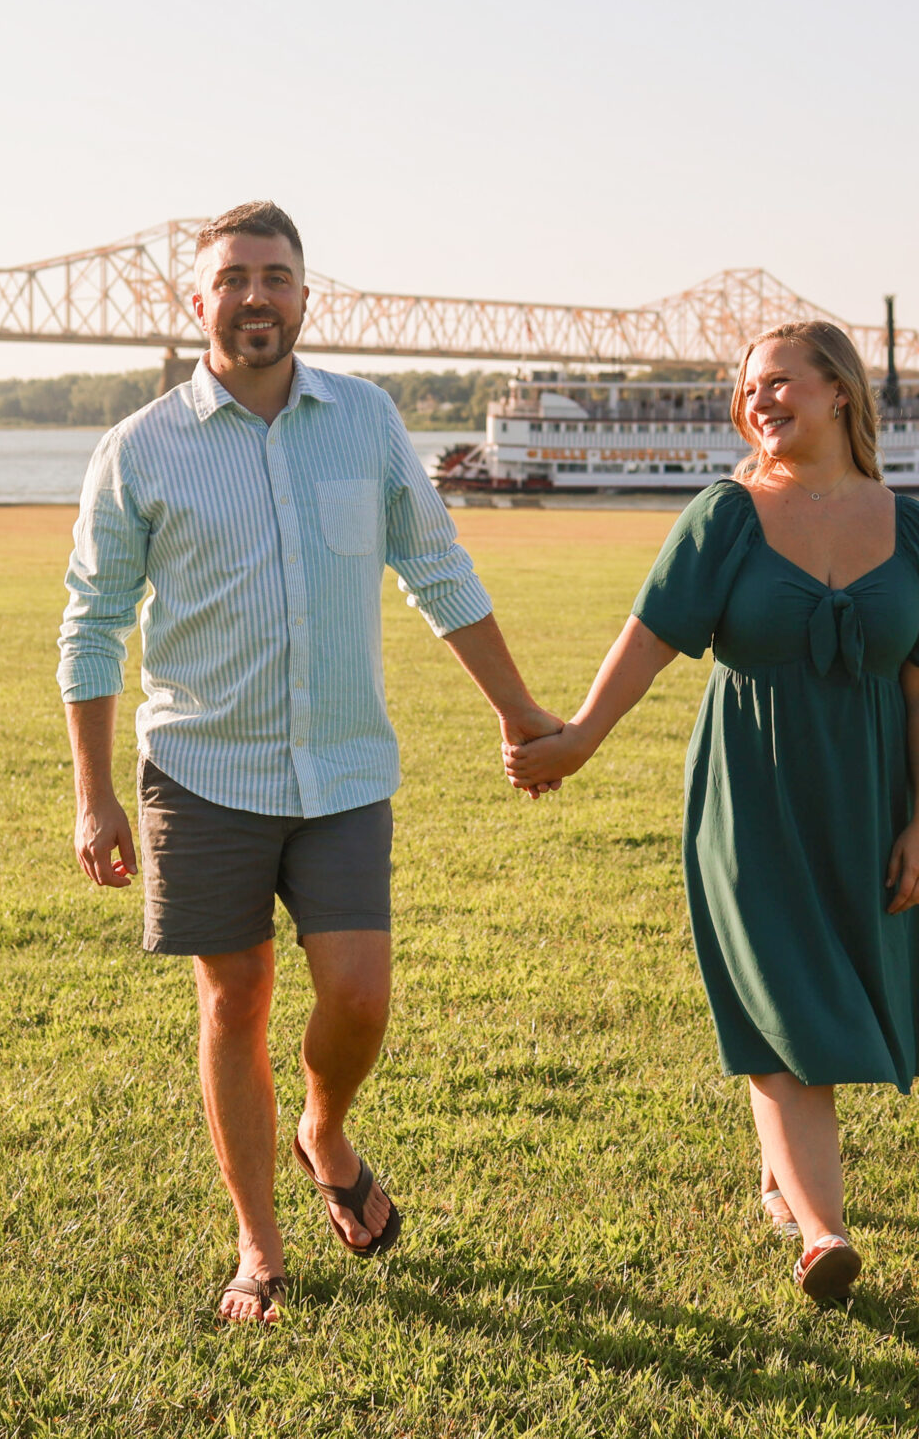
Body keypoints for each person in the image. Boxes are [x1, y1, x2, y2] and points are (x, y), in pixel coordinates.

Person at [60, 201, 560, 1325]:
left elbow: (435, 569)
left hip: (342, 771)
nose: (255, 295)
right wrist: (95, 794)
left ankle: (323, 1127)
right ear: (198, 302)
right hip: (200, 770)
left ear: (303, 296)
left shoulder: (366, 421)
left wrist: (522, 711)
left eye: (276, 276)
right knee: (234, 999)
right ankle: (259, 1245)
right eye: (232, 276)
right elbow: (92, 624)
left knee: (359, 992)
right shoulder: (138, 448)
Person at [505, 320, 919, 1308]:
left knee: (825, 995)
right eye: (749, 386)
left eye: (781, 382)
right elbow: (650, 635)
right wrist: (579, 735)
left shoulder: (915, 527)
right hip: (750, 798)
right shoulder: (724, 515)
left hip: (868, 800)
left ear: (839, 390)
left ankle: (778, 1176)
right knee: (789, 1001)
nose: (760, 399)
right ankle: (821, 1232)